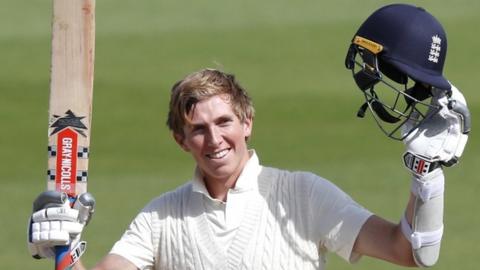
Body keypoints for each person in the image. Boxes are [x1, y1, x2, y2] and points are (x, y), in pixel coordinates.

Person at [28, 3, 470, 270]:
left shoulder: (303, 194)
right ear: (181, 140)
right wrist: (63, 251)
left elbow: (409, 252)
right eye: (197, 129)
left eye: (224, 123)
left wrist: (426, 179)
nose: (214, 139)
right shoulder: (160, 218)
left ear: (247, 123)